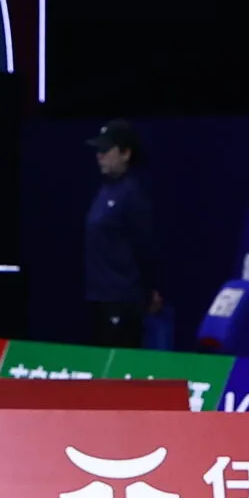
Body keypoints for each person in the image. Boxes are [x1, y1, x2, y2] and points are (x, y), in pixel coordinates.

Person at [85, 118, 161, 348]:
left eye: (106, 150)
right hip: (99, 297)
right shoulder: (104, 191)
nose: (100, 155)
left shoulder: (132, 195)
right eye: (98, 150)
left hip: (122, 299)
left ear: (125, 153)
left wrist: (150, 289)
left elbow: (144, 246)